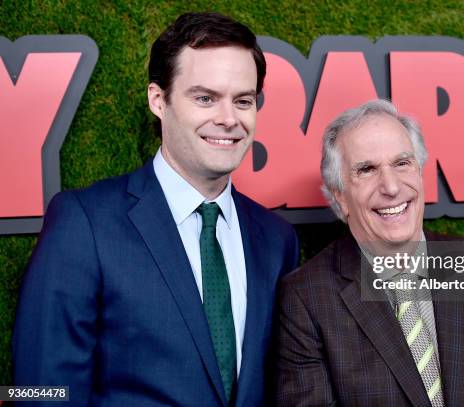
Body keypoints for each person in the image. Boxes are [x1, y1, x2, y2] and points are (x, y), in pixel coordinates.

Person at [12, 12, 299, 406]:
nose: (229, 119)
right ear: (158, 100)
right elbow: (39, 392)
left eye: (243, 100)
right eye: (205, 98)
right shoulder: (84, 223)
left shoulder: (276, 239)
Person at [274, 99, 464, 406]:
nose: (390, 186)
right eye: (367, 169)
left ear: (420, 172)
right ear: (340, 197)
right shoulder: (306, 300)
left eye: (402, 163)